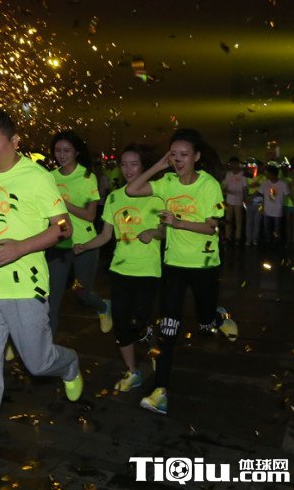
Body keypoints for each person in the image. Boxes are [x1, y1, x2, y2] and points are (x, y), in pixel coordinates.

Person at [0, 110, 82, 474]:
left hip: (25, 289)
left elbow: (63, 228)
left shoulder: (37, 178)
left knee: (38, 363)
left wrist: (21, 247)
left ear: (15, 141)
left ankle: (69, 363)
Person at [125, 128, 238, 415]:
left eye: (184, 155)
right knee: (168, 329)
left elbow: (211, 227)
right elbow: (132, 190)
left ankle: (215, 316)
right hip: (174, 266)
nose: (177, 159)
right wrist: (158, 166)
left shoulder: (209, 185)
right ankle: (160, 391)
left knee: (204, 324)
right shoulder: (167, 182)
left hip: (204, 265)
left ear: (197, 157)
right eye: (173, 154)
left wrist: (177, 223)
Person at [73, 144, 164, 393]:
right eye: (124, 164)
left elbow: (168, 231)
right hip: (120, 270)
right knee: (122, 325)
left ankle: (150, 340)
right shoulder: (114, 197)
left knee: (138, 321)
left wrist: (153, 232)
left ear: (143, 166)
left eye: (134, 164)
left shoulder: (157, 195)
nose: (128, 169)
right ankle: (132, 371)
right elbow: (105, 235)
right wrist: (84, 246)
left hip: (147, 270)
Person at [45, 131, 111, 335]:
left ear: (77, 152)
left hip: (85, 244)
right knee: (53, 297)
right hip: (59, 242)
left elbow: (90, 216)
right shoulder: (50, 177)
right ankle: (46, 346)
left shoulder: (87, 177)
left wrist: (63, 204)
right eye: (58, 150)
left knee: (81, 292)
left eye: (67, 150)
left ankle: (103, 306)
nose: (61, 155)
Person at [258, 165, 289, 247]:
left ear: (273, 174)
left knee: (277, 228)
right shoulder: (265, 183)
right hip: (267, 210)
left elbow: (287, 194)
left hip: (277, 210)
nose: (266, 175)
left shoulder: (282, 184)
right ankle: (268, 241)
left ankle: (276, 241)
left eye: (268, 173)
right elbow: (261, 195)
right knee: (267, 227)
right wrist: (261, 208)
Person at [221, 157, 246, 245]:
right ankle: (228, 236)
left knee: (238, 221)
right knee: (228, 220)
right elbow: (225, 187)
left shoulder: (242, 174)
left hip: (238, 201)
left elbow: (244, 188)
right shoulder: (228, 174)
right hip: (229, 201)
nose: (233, 165)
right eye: (231, 164)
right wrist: (226, 193)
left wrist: (245, 198)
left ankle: (237, 238)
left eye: (235, 163)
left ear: (238, 164)